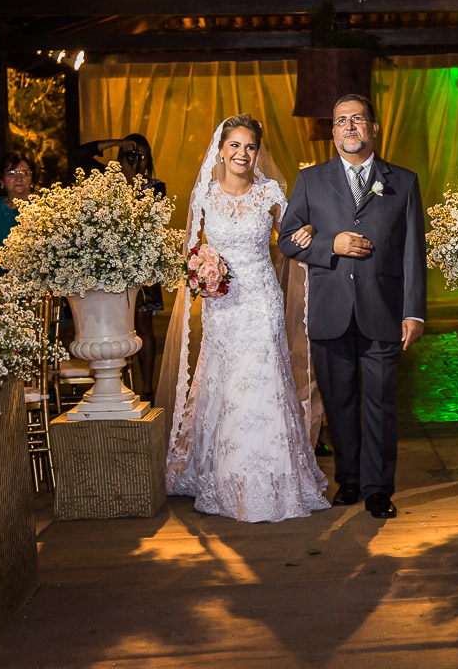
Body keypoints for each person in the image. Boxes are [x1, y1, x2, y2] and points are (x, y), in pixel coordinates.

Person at [159, 114, 329, 523]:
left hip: (261, 300)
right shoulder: (203, 196)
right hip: (221, 305)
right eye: (234, 145)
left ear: (258, 152)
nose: (242, 153)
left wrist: (305, 234)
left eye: (249, 147)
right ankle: (219, 474)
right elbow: (190, 253)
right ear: (220, 150)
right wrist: (200, 271)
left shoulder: (270, 192)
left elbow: (288, 238)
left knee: (263, 376)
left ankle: (273, 478)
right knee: (224, 377)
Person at [278, 94, 427, 520]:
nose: (348, 127)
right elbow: (288, 239)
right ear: (332, 130)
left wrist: (413, 311)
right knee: (339, 400)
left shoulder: (403, 180)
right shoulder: (310, 181)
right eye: (341, 120)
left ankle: (379, 488)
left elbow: (413, 251)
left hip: (384, 308)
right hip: (331, 309)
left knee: (380, 401)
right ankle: (350, 480)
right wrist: (331, 244)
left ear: (373, 128)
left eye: (357, 119)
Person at [75, 133, 168, 398]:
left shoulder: (155, 187)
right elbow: (79, 155)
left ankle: (147, 387)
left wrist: (132, 179)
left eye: (140, 155)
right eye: (130, 154)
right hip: (112, 266)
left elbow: (152, 220)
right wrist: (115, 143)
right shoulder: (106, 179)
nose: (134, 160)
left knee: (144, 325)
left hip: (144, 262)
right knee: (116, 325)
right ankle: (118, 384)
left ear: (148, 159)